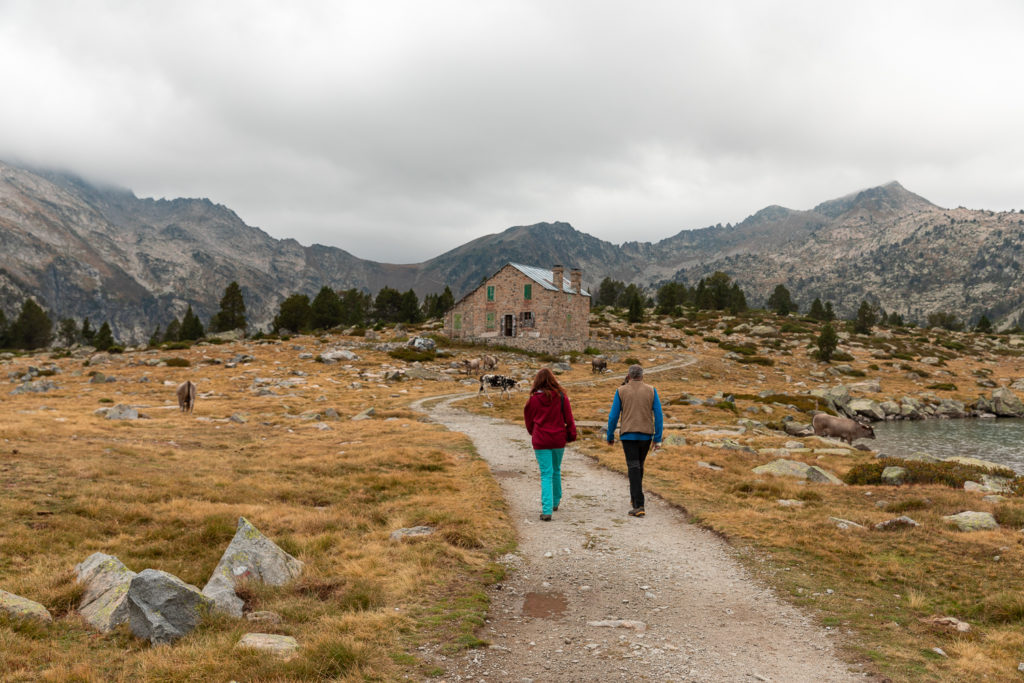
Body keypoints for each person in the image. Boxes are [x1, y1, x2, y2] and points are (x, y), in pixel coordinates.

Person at [605, 364, 663, 517]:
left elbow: (613, 417)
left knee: (633, 466)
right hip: (646, 434)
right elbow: (659, 415)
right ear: (642, 376)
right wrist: (657, 438)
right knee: (638, 465)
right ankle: (635, 496)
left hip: (628, 434)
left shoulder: (621, 391)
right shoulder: (652, 390)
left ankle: (639, 504)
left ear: (628, 376)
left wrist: (610, 436)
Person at [524, 368, 577, 521]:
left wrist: (533, 432)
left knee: (546, 473)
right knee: (556, 470)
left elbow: (528, 421)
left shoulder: (533, 400)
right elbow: (569, 418)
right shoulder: (561, 397)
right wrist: (572, 434)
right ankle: (555, 501)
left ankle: (547, 510)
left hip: (541, 440)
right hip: (558, 439)